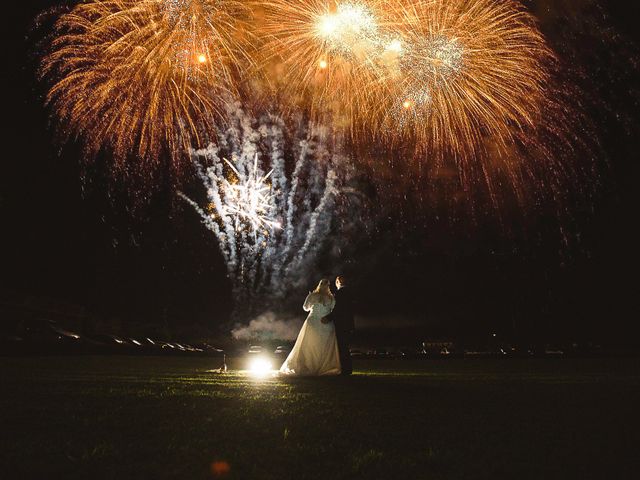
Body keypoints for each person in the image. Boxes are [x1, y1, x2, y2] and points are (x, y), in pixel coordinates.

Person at [279, 279, 341, 376]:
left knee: (310, 345)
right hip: (326, 323)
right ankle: (323, 367)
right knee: (324, 346)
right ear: (328, 286)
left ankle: (308, 366)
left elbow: (305, 307)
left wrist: (312, 305)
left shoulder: (312, 295)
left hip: (313, 322)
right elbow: (333, 308)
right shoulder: (331, 297)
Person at [325, 275, 355, 375]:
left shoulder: (339, 293)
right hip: (348, 324)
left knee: (341, 347)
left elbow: (338, 309)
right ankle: (348, 369)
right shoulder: (350, 292)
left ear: (338, 282)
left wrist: (328, 318)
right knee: (345, 347)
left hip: (341, 324)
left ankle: (344, 370)